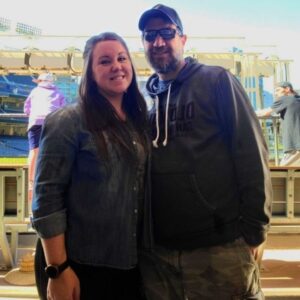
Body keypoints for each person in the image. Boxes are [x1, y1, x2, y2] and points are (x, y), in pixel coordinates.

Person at [137, 4, 273, 300]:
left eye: (166, 33)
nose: (158, 41)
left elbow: (251, 153)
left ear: (182, 39)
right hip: (159, 253)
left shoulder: (216, 81)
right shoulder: (146, 99)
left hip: (220, 247)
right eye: (150, 35)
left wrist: (255, 230)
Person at [31, 32, 152, 300]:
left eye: (122, 58)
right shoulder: (67, 121)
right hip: (79, 266)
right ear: (90, 72)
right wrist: (58, 269)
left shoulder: (138, 122)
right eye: (105, 61)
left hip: (131, 265)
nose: (117, 66)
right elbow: (46, 200)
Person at [23, 72, 66, 213]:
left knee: (33, 151)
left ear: (40, 81)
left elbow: (26, 109)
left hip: (35, 122)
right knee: (51, 151)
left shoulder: (34, 91)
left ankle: (30, 182)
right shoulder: (58, 93)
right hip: (52, 123)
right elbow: (64, 110)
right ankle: (51, 177)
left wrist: (32, 114)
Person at [256, 81, 300, 166]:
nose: (276, 93)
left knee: (282, 173)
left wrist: (246, 112)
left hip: (295, 147)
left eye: (278, 90)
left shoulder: (285, 98)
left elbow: (264, 113)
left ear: (287, 89)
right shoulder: (297, 99)